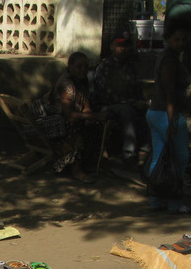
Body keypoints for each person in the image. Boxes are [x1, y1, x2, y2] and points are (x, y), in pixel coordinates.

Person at [33, 52, 110, 182]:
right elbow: (68, 114)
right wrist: (93, 116)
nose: (83, 70)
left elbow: (86, 106)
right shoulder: (66, 83)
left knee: (94, 124)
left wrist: (89, 116)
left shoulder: (83, 81)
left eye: (85, 67)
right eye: (79, 66)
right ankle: (75, 169)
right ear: (70, 67)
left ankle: (90, 163)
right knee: (73, 124)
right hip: (48, 119)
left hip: (64, 117)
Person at [145, 18, 190, 213]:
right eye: (177, 39)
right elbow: (170, 92)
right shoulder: (170, 61)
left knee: (160, 157)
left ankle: (156, 200)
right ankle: (174, 203)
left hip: (156, 113)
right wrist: (172, 122)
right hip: (166, 114)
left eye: (184, 39)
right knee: (179, 158)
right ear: (168, 39)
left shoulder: (168, 57)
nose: (181, 43)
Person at [92, 32, 151, 170]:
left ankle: (146, 150)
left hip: (128, 103)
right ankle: (129, 155)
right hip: (106, 105)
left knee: (150, 110)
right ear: (112, 46)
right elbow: (106, 96)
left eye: (125, 45)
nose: (123, 49)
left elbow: (137, 89)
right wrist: (132, 102)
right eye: (119, 45)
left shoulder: (131, 67)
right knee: (128, 111)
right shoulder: (105, 66)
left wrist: (143, 102)